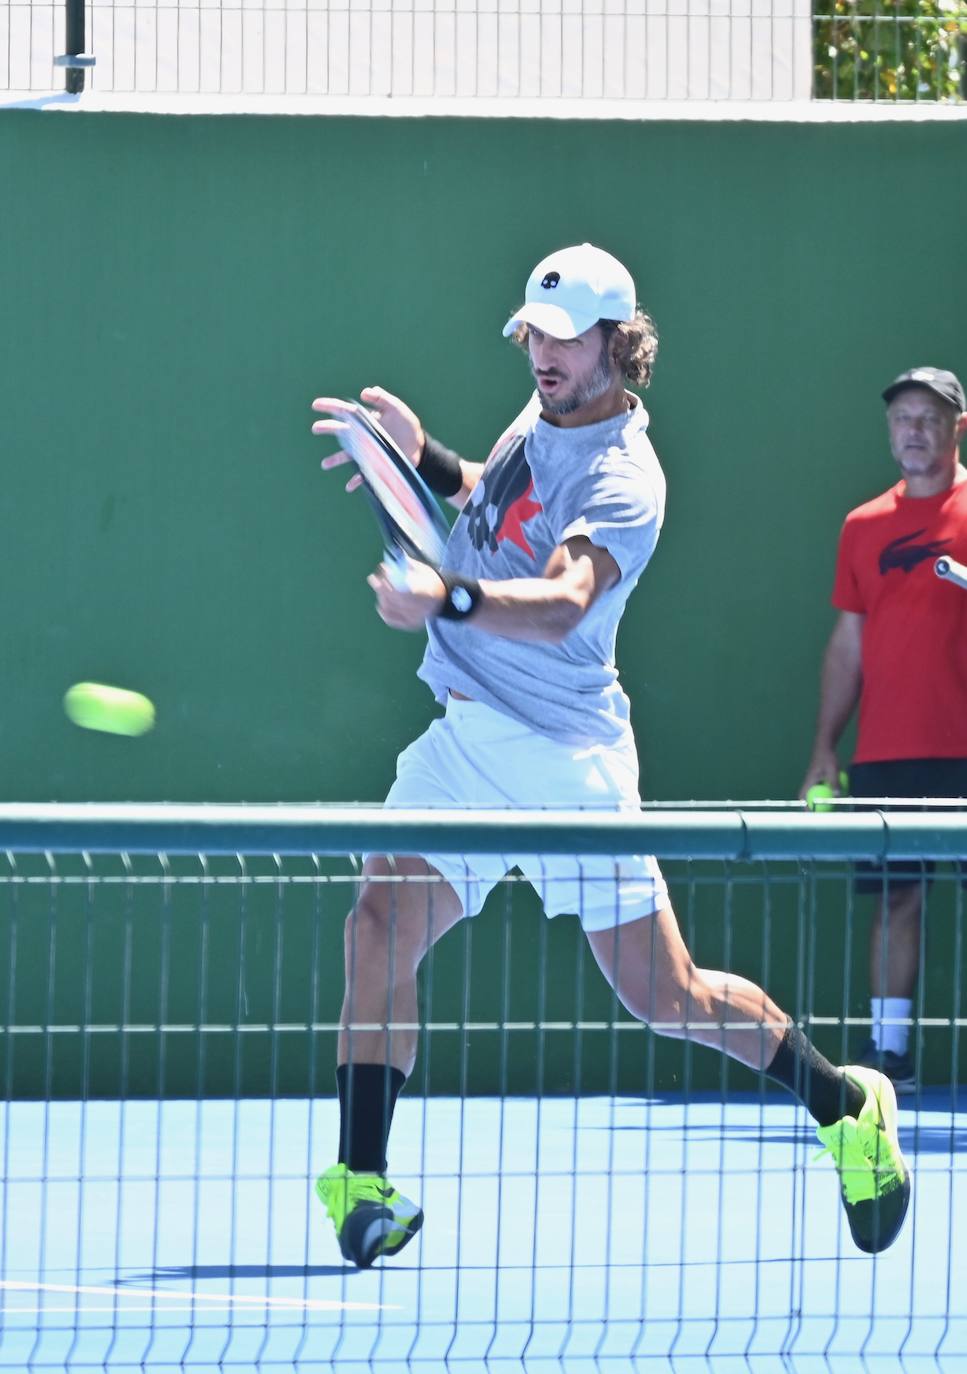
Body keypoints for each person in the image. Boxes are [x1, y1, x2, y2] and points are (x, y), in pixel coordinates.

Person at [311, 243, 910, 1269]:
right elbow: (491, 511)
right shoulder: (541, 413)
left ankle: (845, 1104)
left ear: (615, 345)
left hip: (565, 761)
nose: (540, 351)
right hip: (465, 740)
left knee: (665, 997)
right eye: (532, 333)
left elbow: (561, 605)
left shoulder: (626, 478)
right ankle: (360, 1182)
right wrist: (422, 458)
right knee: (375, 929)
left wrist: (442, 599)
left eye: (563, 336)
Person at [800, 367, 967, 1095]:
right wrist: (822, 750)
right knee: (896, 899)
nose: (913, 430)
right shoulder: (862, 526)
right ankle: (887, 1053)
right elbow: (848, 641)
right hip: (888, 753)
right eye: (902, 417)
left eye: (928, 417)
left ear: (955, 427)